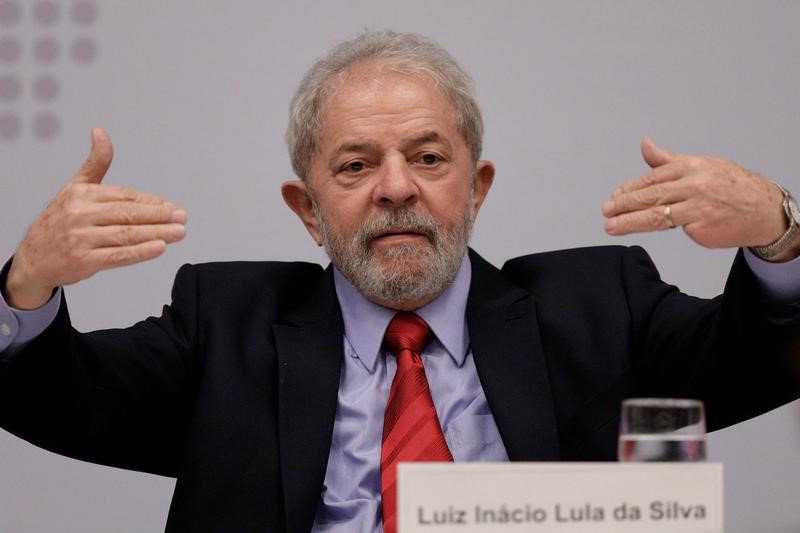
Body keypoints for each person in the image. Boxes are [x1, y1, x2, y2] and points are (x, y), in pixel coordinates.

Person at [1, 31, 799, 533]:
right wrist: (28, 283)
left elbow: (756, 357)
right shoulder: (225, 322)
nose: (395, 188)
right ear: (308, 210)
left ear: (476, 187)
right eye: (355, 165)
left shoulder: (599, 303)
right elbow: (54, 397)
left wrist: (778, 231)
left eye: (428, 157)